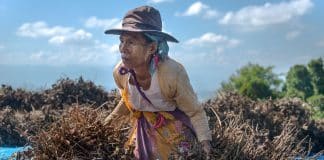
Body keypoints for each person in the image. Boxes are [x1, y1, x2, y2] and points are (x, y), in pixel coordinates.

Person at [104, 5, 212, 160]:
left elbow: (194, 111)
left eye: (131, 42)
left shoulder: (171, 74)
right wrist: (105, 125)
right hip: (143, 129)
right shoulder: (121, 74)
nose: (123, 48)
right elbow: (128, 100)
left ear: (152, 47)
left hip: (172, 132)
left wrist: (205, 145)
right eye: (122, 41)